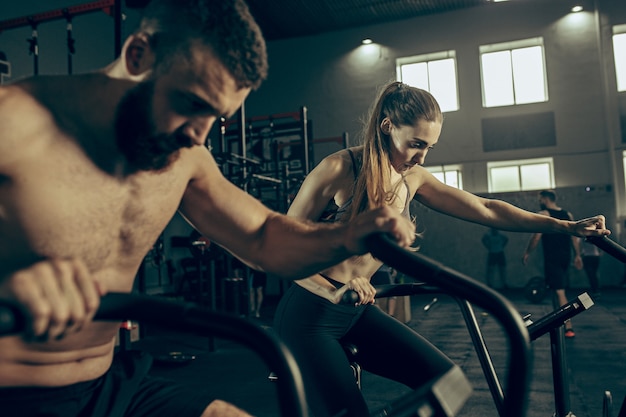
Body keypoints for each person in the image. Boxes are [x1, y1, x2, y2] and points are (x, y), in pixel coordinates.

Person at [0, 2, 418, 417]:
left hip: (108, 383)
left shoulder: (185, 156)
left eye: (216, 117)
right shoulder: (13, 122)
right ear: (138, 55)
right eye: (191, 102)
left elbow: (261, 237)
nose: (198, 135)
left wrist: (346, 235)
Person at [273, 81, 610, 417]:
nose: (421, 156)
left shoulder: (413, 177)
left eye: (429, 147)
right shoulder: (339, 168)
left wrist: (565, 227)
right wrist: (335, 287)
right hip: (309, 315)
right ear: (387, 126)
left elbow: (486, 208)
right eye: (416, 144)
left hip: (357, 310)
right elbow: (280, 249)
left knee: (447, 381)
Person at [523, 190, 583, 338]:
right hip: (565, 258)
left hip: (553, 258)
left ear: (545, 199)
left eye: (540, 198)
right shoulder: (568, 215)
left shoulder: (544, 214)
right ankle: (559, 322)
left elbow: (536, 236)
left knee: (559, 292)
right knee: (555, 290)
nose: (539, 201)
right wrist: (577, 255)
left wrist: (528, 252)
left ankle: (568, 327)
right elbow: (573, 238)